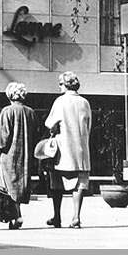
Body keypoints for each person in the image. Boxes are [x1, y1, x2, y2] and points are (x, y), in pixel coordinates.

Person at [44, 71, 92, 229]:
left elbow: (50, 124)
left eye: (60, 83)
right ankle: (76, 217)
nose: (59, 86)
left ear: (66, 85)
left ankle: (57, 216)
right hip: (81, 150)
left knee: (57, 183)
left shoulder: (60, 101)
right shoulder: (85, 102)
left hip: (63, 149)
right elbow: (89, 126)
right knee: (79, 184)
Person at [0, 81, 39, 230]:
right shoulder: (31, 112)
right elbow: (36, 134)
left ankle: (16, 216)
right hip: (25, 157)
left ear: (10, 95)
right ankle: (16, 214)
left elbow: (2, 136)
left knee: (7, 187)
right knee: (18, 186)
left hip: (8, 156)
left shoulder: (7, 111)